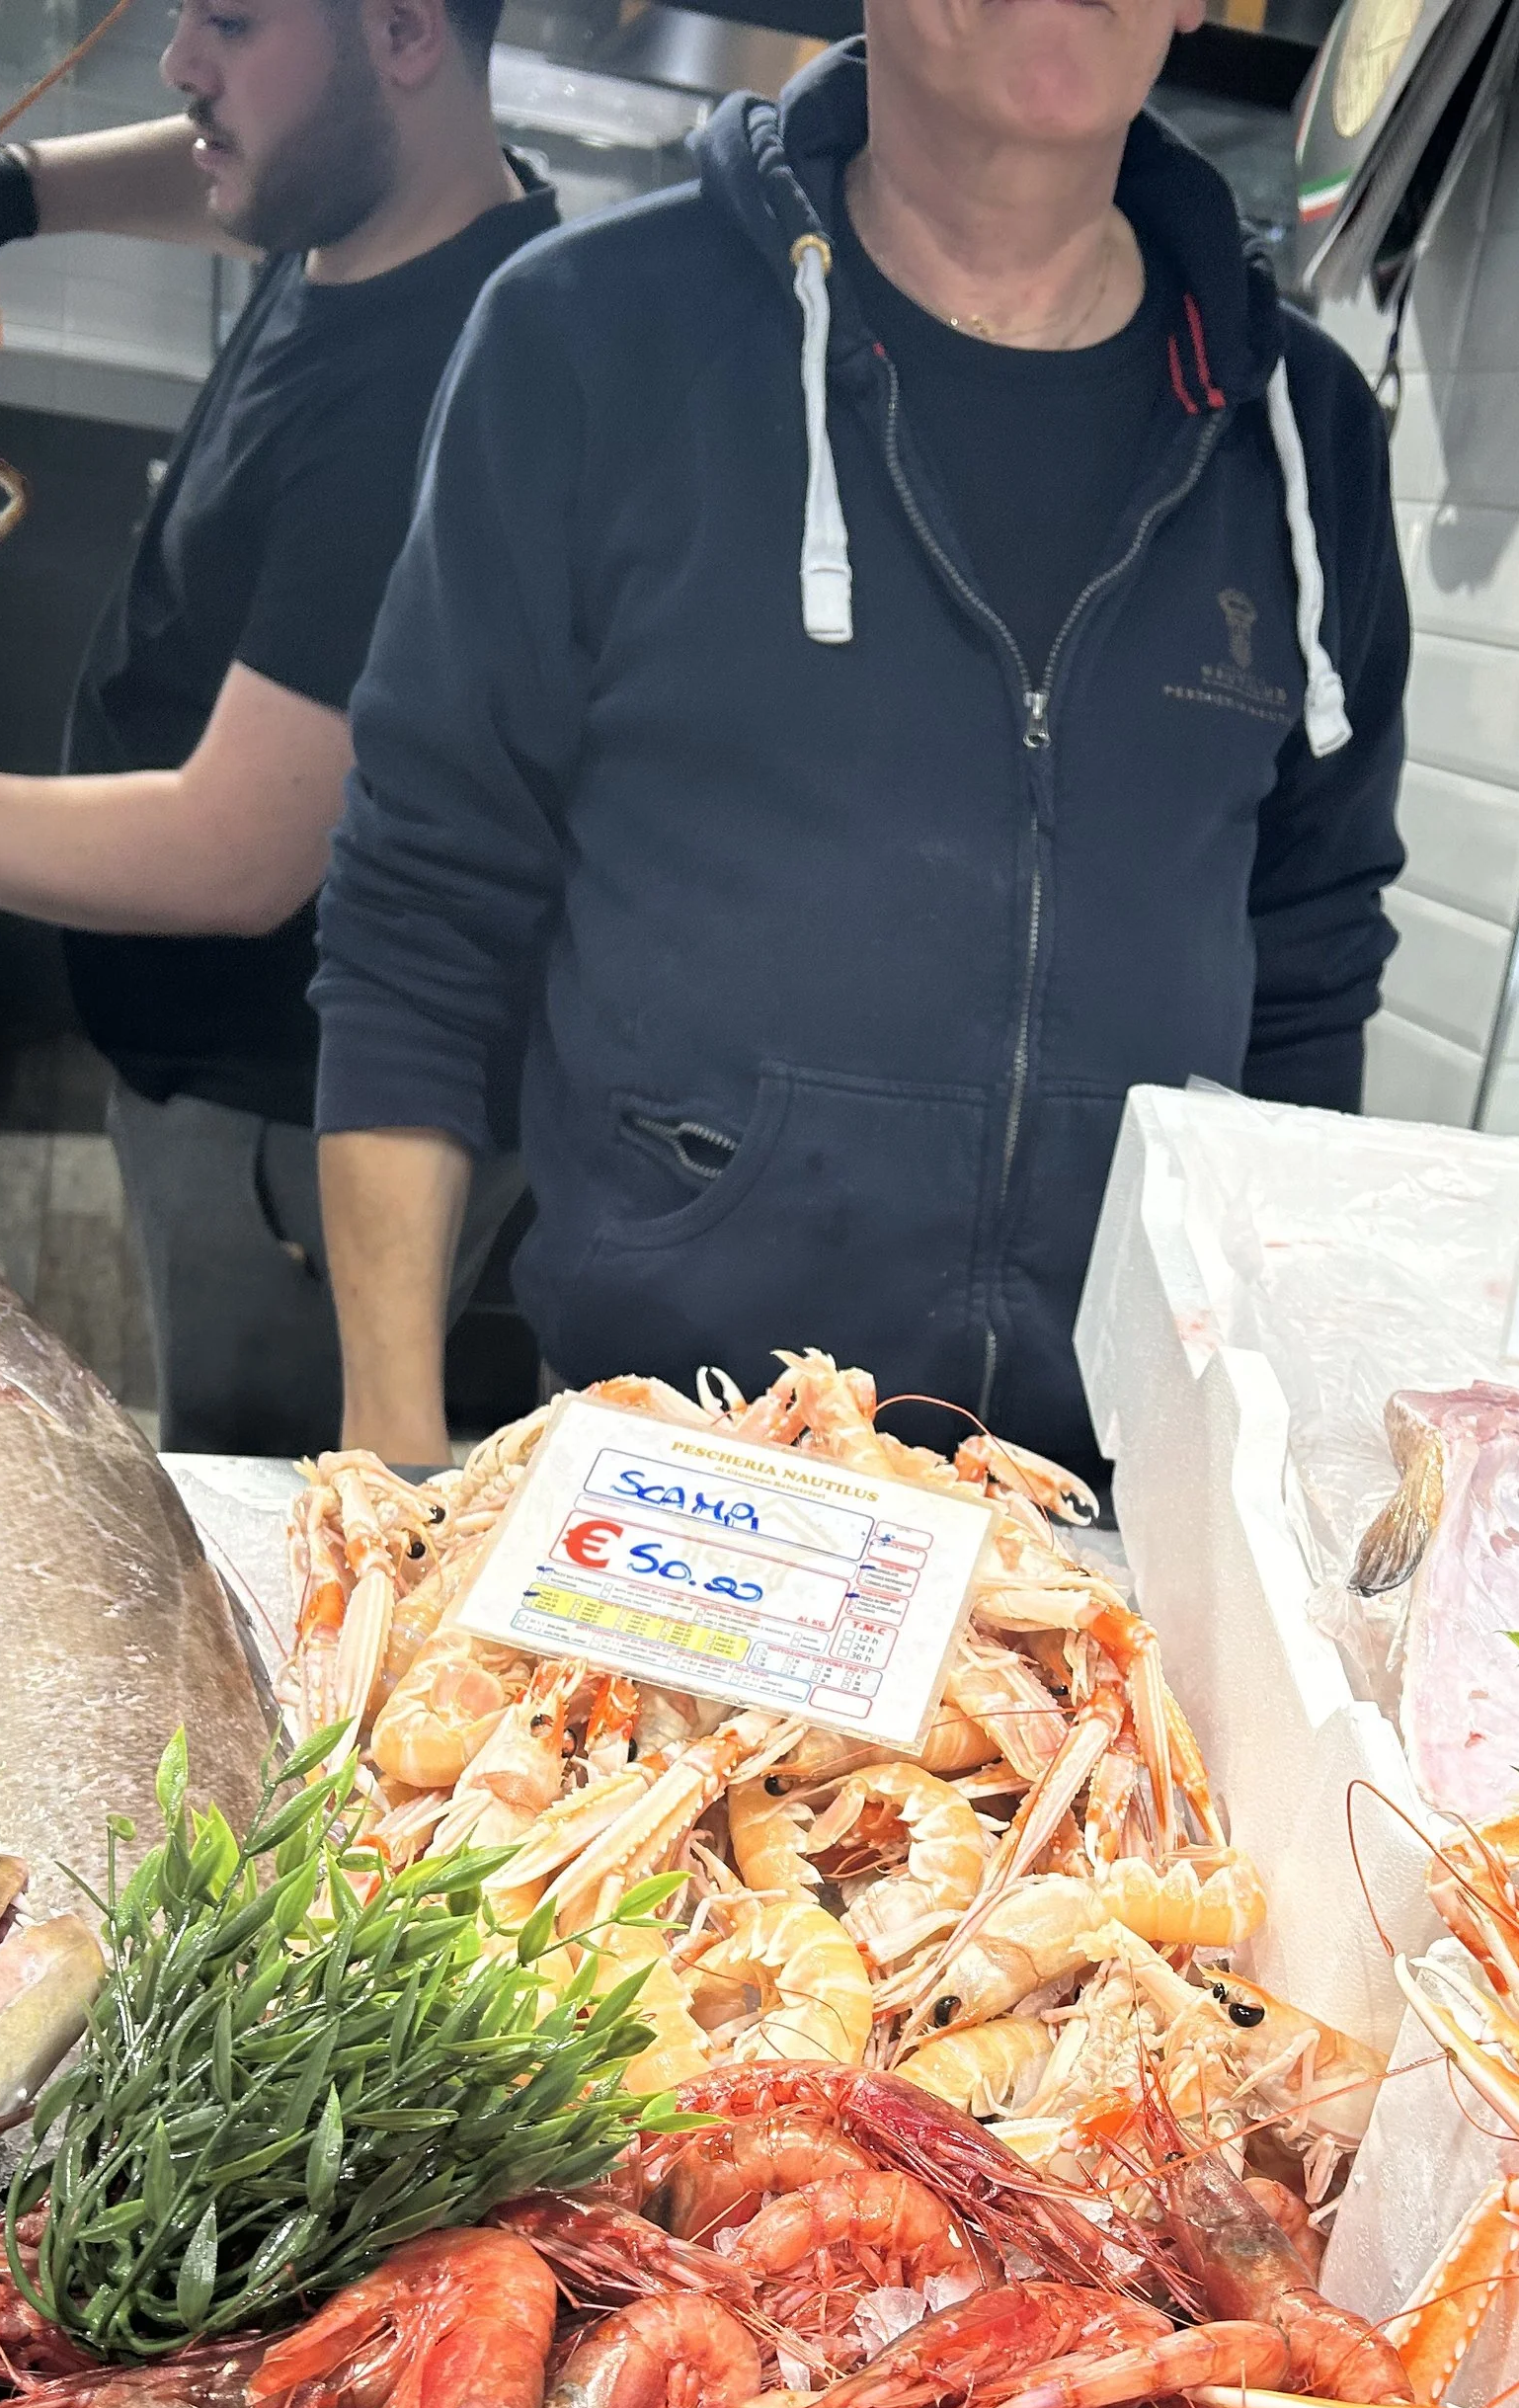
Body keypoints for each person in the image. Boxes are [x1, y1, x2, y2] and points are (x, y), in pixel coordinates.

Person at [311, 0, 1407, 1480]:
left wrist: (1279, 1459)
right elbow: (420, 907)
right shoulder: (588, 334)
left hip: (1105, 1496)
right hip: (664, 1467)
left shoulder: (1302, 429)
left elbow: (1312, 970)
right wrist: (390, 1444)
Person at [0, 0, 557, 1456]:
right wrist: (17, 193)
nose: (182, 64)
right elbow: (249, 178)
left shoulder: (431, 400)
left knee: (271, 1511)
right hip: (223, 1074)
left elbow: (236, 849)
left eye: (235, 22)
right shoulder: (386, 206)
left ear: (399, 34)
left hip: (296, 1131)